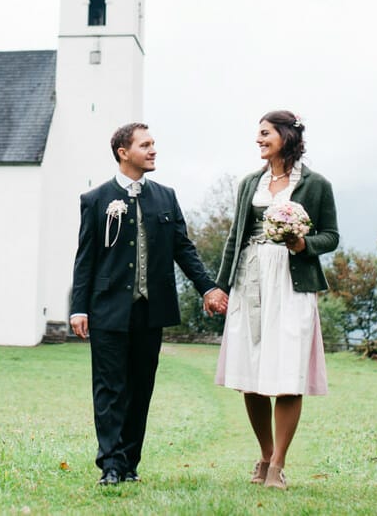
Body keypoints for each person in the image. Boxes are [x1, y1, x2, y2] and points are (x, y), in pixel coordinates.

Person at [70, 122, 229, 486]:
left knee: (141, 388)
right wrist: (79, 307)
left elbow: (183, 249)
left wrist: (207, 288)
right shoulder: (95, 200)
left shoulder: (166, 197)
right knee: (109, 388)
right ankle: (110, 465)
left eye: (153, 143)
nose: (153, 150)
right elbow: (85, 257)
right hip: (107, 309)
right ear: (123, 152)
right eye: (145, 145)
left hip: (151, 310)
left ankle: (129, 463)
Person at [214, 110, 339, 490]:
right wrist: (219, 286)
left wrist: (302, 244)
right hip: (250, 278)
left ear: (286, 136)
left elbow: (331, 236)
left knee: (288, 372)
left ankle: (278, 465)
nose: (259, 139)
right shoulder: (249, 183)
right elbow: (235, 237)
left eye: (265, 133)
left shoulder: (316, 185)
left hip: (290, 282)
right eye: (258, 134)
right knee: (249, 374)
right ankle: (265, 453)